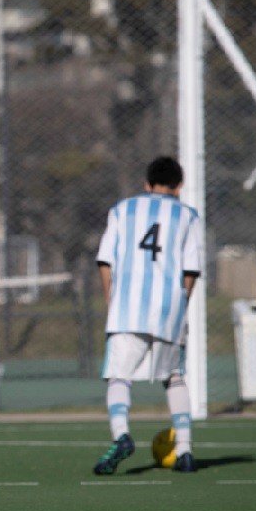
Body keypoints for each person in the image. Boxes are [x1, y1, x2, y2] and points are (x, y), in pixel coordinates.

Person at [93, 156, 201, 475]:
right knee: (174, 376)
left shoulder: (122, 210)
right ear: (179, 186)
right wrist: (180, 305)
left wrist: (112, 300)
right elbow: (191, 270)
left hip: (127, 307)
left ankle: (122, 435)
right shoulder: (188, 216)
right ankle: (185, 451)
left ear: (146, 183)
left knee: (118, 376)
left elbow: (105, 261)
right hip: (170, 308)